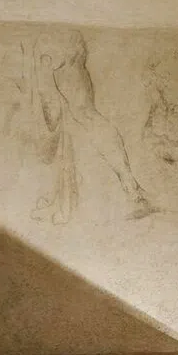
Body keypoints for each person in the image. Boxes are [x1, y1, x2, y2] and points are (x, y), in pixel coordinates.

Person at [28, 30, 155, 223]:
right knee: (77, 118)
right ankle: (66, 200)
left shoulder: (51, 52)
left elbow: (51, 105)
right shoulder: (62, 51)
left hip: (56, 48)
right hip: (63, 47)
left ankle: (125, 187)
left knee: (79, 116)